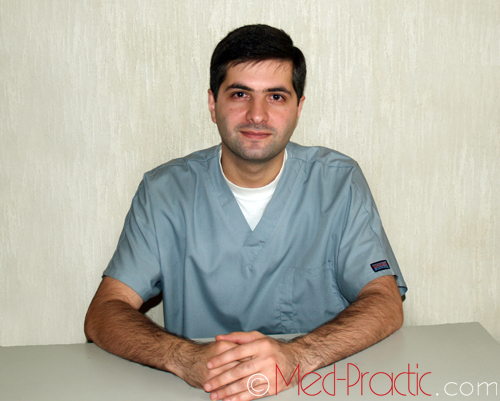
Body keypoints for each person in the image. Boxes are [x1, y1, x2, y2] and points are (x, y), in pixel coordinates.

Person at [85, 24, 407, 400]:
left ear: (298, 108)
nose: (257, 115)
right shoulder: (164, 192)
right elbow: (104, 311)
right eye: (240, 94)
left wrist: (297, 357)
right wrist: (184, 358)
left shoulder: (338, 183)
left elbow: (385, 301)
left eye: (276, 97)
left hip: (314, 385)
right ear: (213, 104)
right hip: (204, 390)